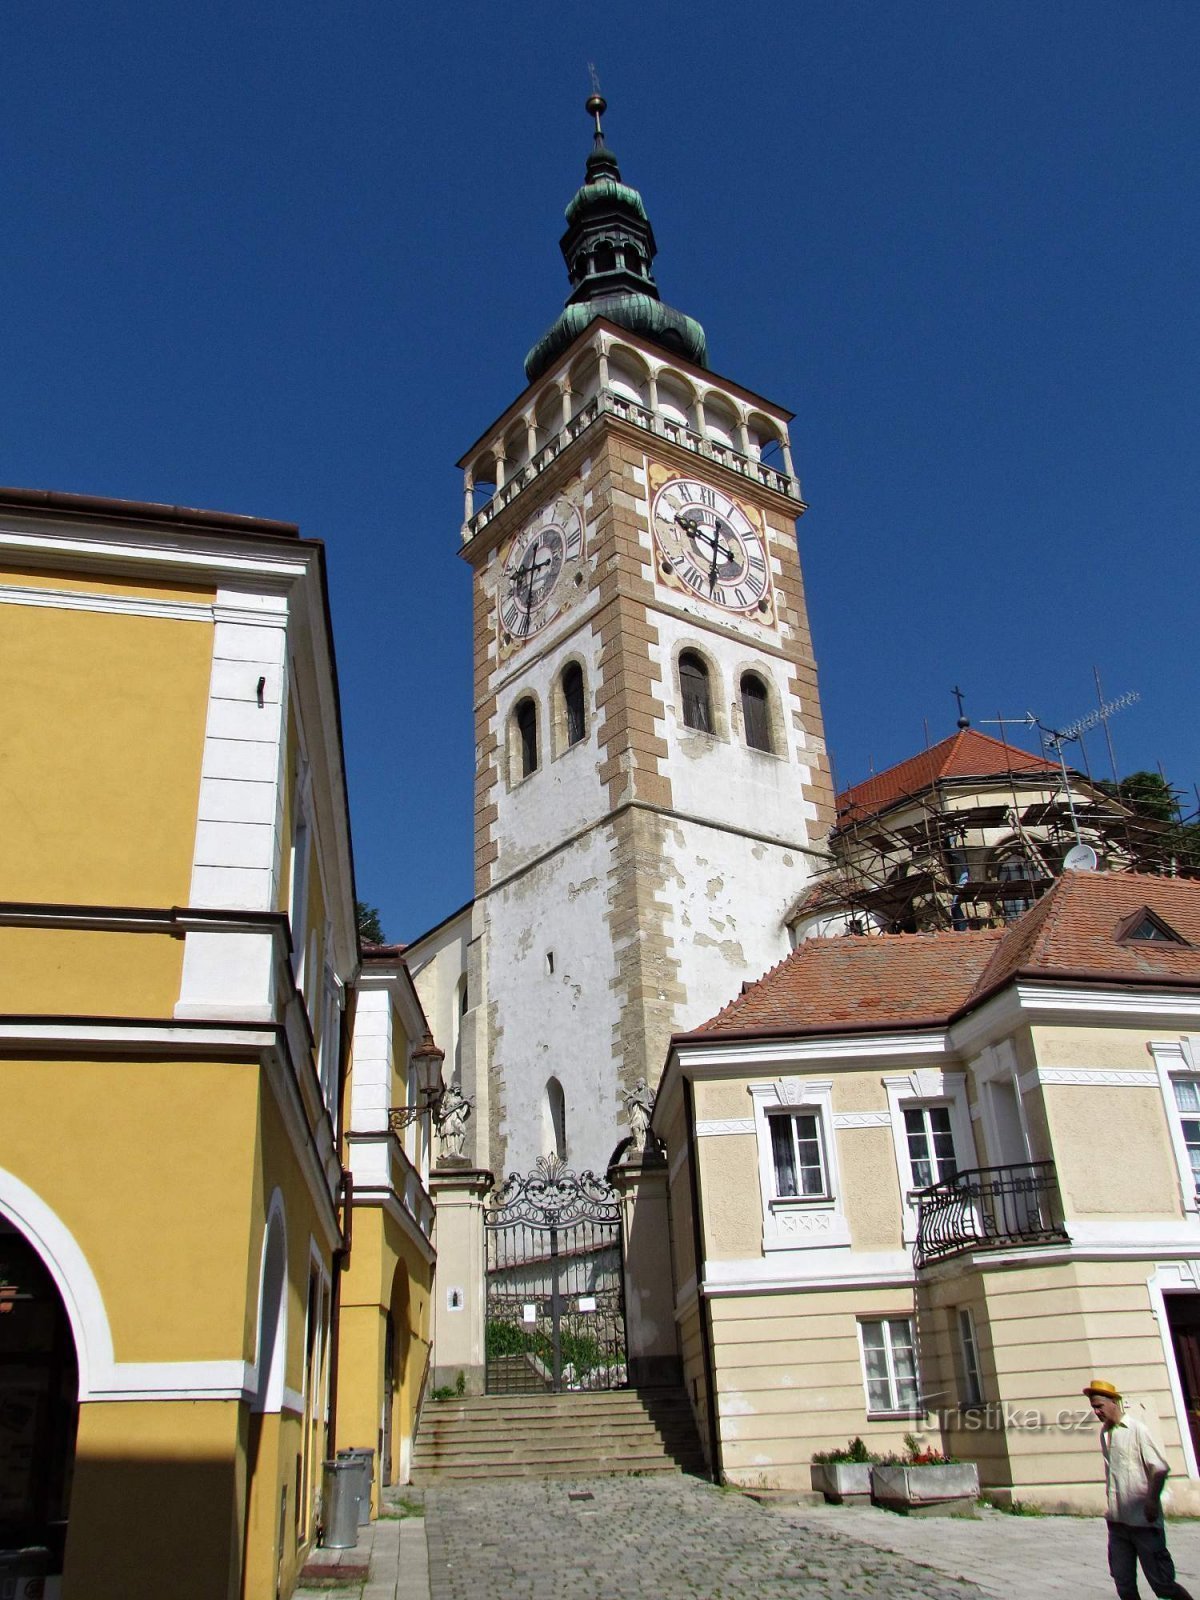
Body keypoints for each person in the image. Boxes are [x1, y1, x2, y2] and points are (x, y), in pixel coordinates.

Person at [1084, 1378, 1194, 1600]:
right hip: (1117, 1523)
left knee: (1163, 1585)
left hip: (1143, 1522)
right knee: (1124, 1584)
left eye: (1099, 1406)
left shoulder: (1137, 1430)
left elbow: (1160, 1468)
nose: (1096, 1412)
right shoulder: (1105, 1433)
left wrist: (1152, 1500)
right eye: (1093, 1407)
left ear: (1114, 1402)